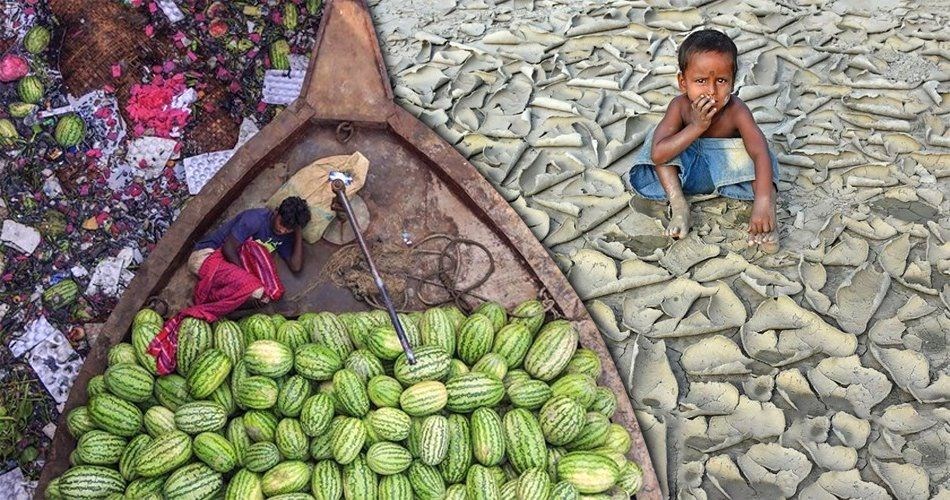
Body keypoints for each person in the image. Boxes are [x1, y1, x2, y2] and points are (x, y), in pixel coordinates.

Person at [628, 29, 780, 252]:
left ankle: (768, 215)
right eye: (700, 81)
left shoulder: (737, 110)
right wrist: (697, 127)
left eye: (721, 80)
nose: (711, 91)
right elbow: (658, 156)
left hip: (725, 175)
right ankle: (679, 205)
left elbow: (759, 153)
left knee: (764, 155)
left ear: (733, 82)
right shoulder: (679, 107)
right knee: (657, 139)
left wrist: (762, 201)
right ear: (683, 82)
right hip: (685, 174)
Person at [188, 196, 311, 305]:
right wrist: (247, 278)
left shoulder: (285, 236)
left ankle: (213, 295)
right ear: (276, 211)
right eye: (282, 223)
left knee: (264, 297)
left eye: (289, 229)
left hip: (226, 263)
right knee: (255, 291)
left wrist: (298, 232)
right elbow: (228, 248)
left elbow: (295, 266)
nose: (282, 230)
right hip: (206, 255)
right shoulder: (255, 219)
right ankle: (202, 301)